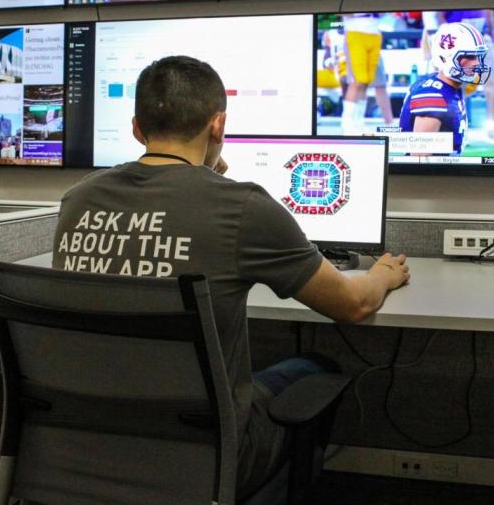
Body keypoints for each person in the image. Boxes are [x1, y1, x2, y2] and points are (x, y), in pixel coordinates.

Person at [51, 55, 409, 500]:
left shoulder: (78, 200)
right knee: (316, 368)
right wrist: (383, 275)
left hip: (80, 445)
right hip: (205, 453)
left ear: (137, 128)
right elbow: (352, 305)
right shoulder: (241, 207)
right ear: (218, 125)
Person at [398, 22, 490, 155]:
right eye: (470, 56)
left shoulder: (450, 86)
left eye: (479, 56)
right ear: (445, 58)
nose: (477, 63)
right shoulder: (433, 96)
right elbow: (419, 159)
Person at [341, 13, 394, 135]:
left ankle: (358, 123)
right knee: (356, 81)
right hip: (356, 33)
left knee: (366, 82)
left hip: (374, 33)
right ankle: (348, 124)